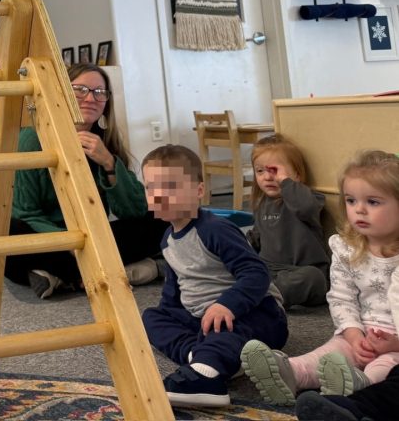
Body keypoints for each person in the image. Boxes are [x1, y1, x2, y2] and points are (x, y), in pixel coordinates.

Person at [241, 150, 399, 406]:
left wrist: (394, 345)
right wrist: (354, 336)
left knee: (385, 369)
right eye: (351, 200)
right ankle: (290, 373)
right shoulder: (346, 249)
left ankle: (360, 389)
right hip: (358, 332)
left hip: (396, 346)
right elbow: (341, 298)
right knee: (328, 356)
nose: (359, 210)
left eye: (373, 202)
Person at [140, 144, 288, 408]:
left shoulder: (215, 229)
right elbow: (173, 292)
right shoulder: (167, 240)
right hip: (204, 318)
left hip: (256, 313)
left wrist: (226, 305)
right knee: (152, 317)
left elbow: (256, 273)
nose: (159, 195)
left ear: (199, 191)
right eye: (151, 188)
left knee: (227, 332)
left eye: (170, 187)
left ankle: (208, 377)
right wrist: (170, 316)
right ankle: (198, 355)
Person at [4, 64, 168, 299]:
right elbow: (26, 213)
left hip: (93, 236)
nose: (91, 98)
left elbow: (134, 210)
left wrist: (109, 163)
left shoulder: (106, 143)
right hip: (53, 239)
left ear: (106, 102)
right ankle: (134, 270)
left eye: (99, 92)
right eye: (80, 90)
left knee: (162, 214)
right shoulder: (31, 139)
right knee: (9, 235)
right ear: (62, 94)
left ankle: (61, 277)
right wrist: (72, 243)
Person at [245, 134, 330, 308]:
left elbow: (305, 207)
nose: (267, 177)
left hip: (303, 270)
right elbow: (258, 238)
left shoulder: (308, 198)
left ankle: (262, 297)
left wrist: (285, 182)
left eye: (274, 171)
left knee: (313, 278)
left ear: (296, 175)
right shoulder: (262, 204)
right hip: (271, 269)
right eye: (260, 171)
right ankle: (260, 293)